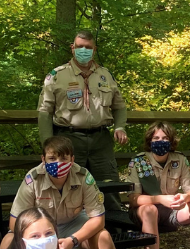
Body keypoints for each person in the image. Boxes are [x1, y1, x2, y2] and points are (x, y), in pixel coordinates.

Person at [0, 135, 136, 249]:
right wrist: (45, 240)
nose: (58, 163)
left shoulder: (83, 176)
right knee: (8, 240)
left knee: (103, 236)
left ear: (72, 159)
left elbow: (98, 219)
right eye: (52, 158)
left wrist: (73, 240)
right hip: (42, 228)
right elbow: (15, 222)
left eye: (64, 158)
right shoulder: (33, 179)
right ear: (43, 160)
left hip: (73, 225)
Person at [37, 30, 128, 211]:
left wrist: (120, 127)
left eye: (88, 47)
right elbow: (44, 112)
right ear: (73, 48)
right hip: (68, 141)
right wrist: (48, 145)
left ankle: (115, 233)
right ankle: (71, 233)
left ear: (94, 50)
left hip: (101, 141)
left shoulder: (106, 75)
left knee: (108, 190)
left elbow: (119, 106)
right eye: (80, 47)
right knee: (69, 188)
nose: (84, 51)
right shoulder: (57, 75)